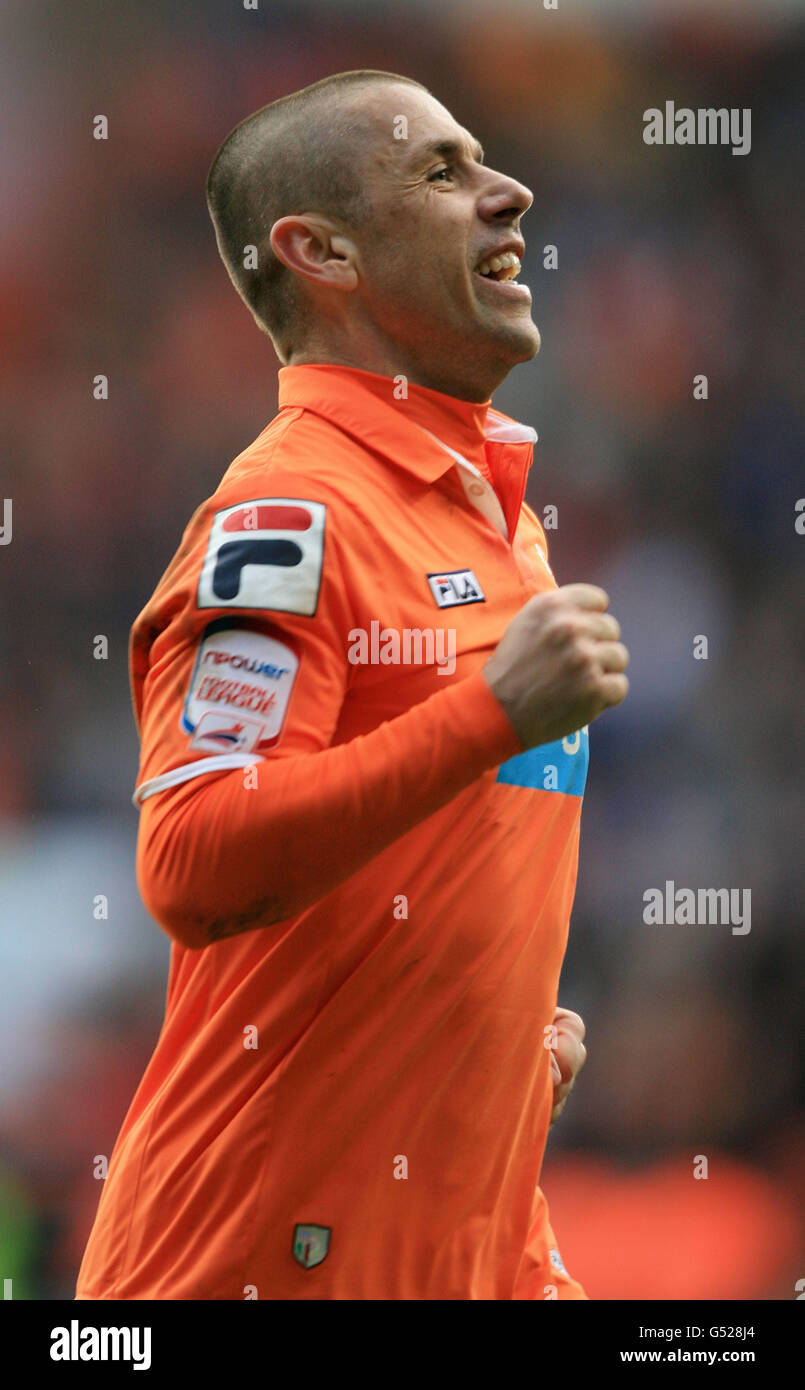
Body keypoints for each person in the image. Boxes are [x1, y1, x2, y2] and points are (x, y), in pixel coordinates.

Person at [75, 69, 628, 1301]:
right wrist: (490, 713)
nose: (508, 194)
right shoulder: (289, 516)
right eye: (442, 173)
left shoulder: (498, 523)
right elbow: (196, 857)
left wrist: (477, 1052)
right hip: (249, 1260)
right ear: (318, 250)